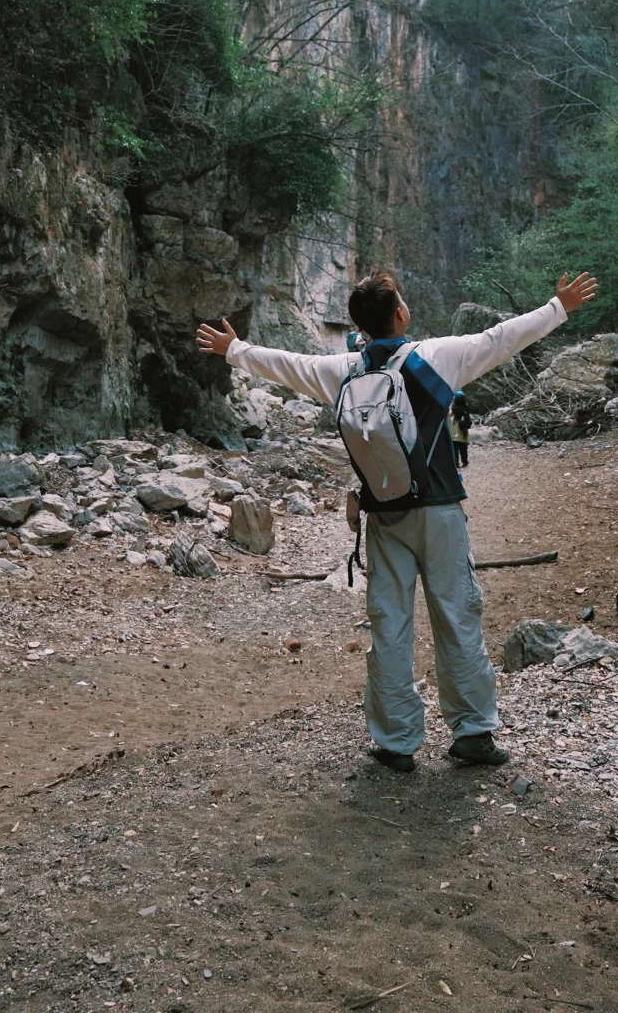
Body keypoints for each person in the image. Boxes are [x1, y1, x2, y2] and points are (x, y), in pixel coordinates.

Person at [196, 269, 597, 774]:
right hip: (440, 513)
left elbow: (291, 365)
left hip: (384, 516)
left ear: (360, 326)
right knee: (457, 617)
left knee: (390, 626)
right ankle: (473, 732)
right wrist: (558, 307)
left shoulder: (345, 370)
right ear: (401, 314)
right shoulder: (435, 357)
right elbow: (501, 339)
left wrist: (235, 350)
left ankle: (396, 741)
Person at [449, 391, 471, 468]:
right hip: (464, 430)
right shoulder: (466, 408)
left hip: (457, 429)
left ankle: (456, 463)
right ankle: (465, 461)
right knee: (463, 447)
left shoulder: (455, 408)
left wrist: (451, 405)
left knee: (455, 447)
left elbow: (450, 415)